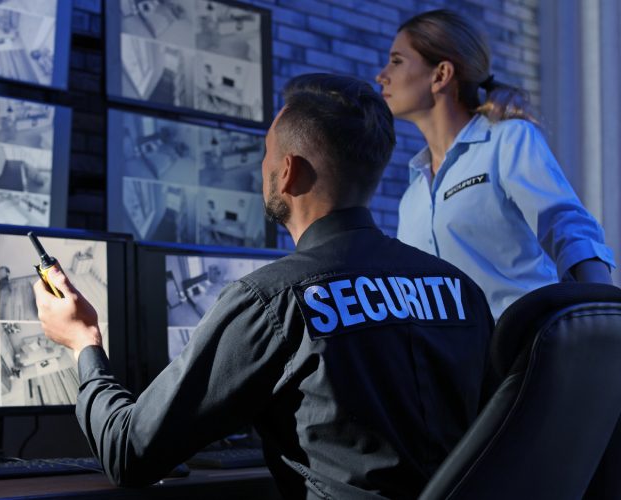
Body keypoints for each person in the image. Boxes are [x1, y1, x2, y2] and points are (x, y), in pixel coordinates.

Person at [34, 74, 495, 499]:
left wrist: (82, 342)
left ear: (288, 171)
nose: (262, 168)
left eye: (267, 154)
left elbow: (128, 452)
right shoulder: (461, 291)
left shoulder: (273, 300)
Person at [375, 9, 615, 320]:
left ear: (441, 74)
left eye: (396, 60)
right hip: (452, 364)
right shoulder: (413, 196)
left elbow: (568, 227)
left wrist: (606, 319)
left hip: (526, 356)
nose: (381, 75)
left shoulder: (508, 141)